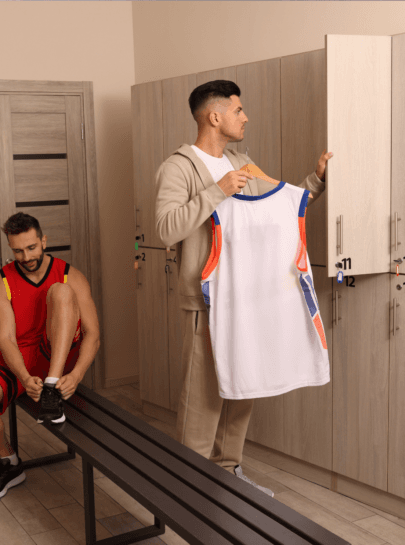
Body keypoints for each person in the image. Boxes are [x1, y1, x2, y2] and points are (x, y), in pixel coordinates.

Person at [154, 79, 333, 495]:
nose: (245, 117)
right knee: (203, 399)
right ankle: (191, 485)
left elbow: (278, 207)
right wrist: (216, 192)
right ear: (214, 116)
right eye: (238, 110)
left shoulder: (242, 162)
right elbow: (166, 229)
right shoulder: (178, 167)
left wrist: (316, 181)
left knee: (244, 384)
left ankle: (228, 471)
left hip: (249, 298)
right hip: (207, 300)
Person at [0, 212, 101, 501]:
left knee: (61, 292)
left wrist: (75, 376)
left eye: (32, 247)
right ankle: (9, 463)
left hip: (58, 355)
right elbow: (6, 339)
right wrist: (24, 377)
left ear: (43, 240)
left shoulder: (69, 274)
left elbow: (93, 335)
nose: (26, 256)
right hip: (23, 358)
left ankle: (52, 387)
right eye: (18, 250)